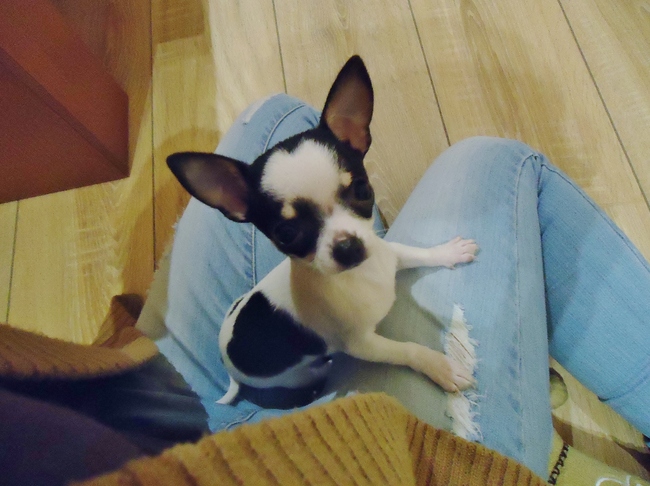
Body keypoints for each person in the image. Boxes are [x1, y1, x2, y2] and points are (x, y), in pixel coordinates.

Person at [153, 93, 650, 480]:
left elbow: (382, 252)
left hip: (153, 391)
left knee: (276, 115)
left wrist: (436, 255)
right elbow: (359, 342)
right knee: (496, 162)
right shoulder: (321, 305)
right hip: (272, 401)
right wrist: (420, 356)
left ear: (357, 135)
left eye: (355, 194)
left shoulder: (338, 243)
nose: (345, 237)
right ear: (236, 204)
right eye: (291, 231)